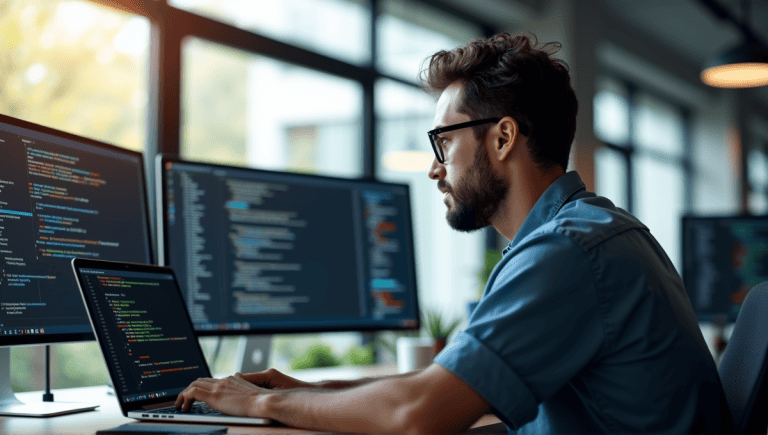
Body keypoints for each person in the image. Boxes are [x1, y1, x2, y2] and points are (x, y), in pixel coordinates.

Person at [175, 33, 731, 434]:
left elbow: (416, 415)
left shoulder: (567, 252)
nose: (433, 167)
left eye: (443, 141)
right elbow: (452, 391)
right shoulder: (591, 231)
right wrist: (305, 392)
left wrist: (257, 405)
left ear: (503, 137)